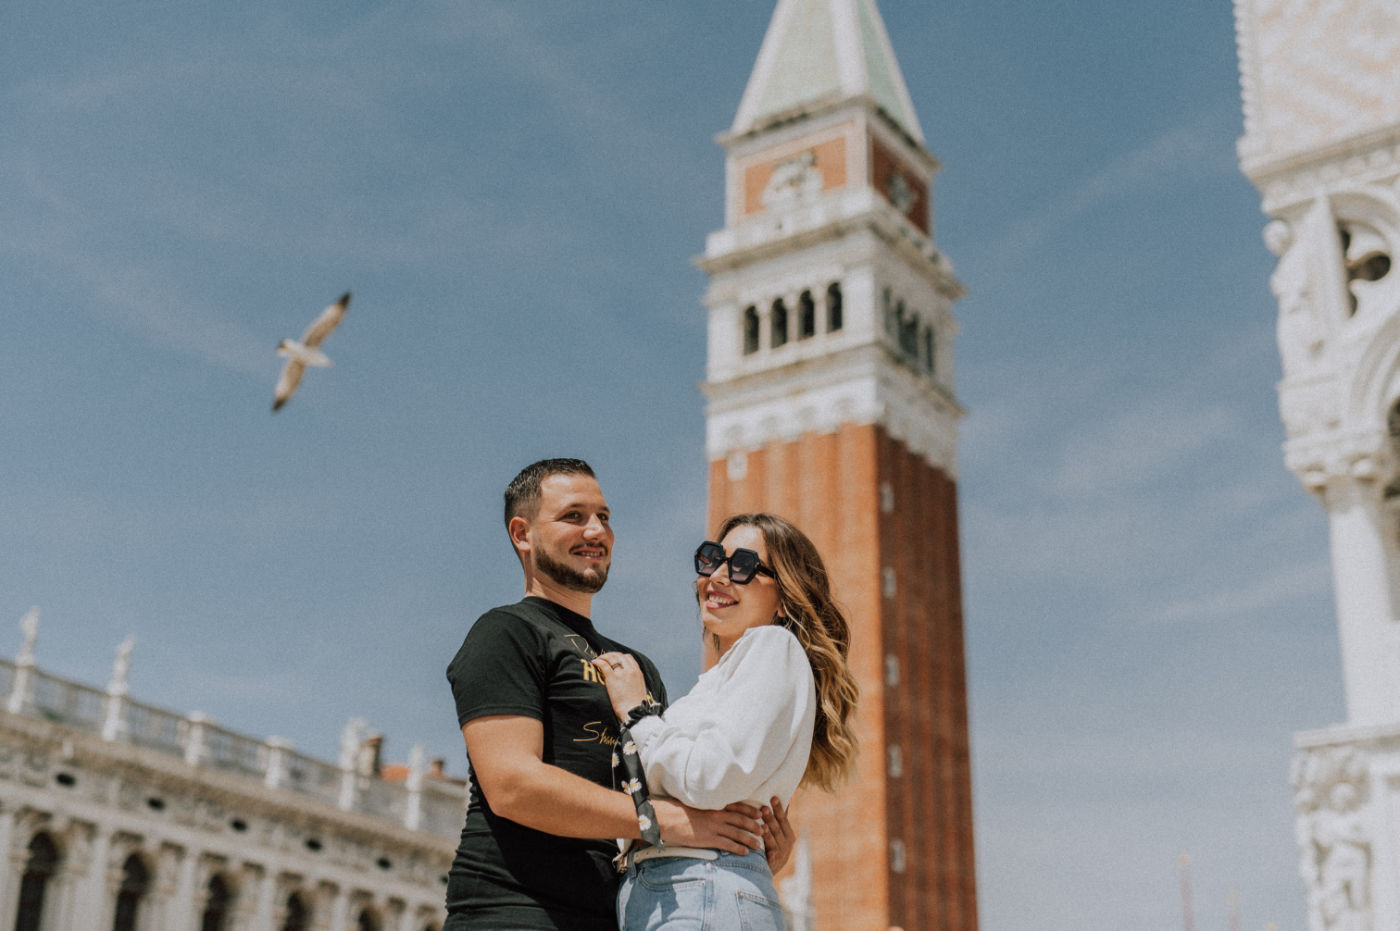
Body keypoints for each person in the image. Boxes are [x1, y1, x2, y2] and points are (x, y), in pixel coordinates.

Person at [444, 459, 791, 930]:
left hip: (625, 915)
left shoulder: (640, 669)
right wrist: (658, 820)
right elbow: (512, 786)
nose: (597, 530)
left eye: (604, 517)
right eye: (574, 516)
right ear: (522, 534)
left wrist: (748, 843)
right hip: (514, 910)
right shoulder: (508, 632)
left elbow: (675, 794)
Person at [593, 512, 860, 931]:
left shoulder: (773, 646)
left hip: (697, 888)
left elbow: (709, 774)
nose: (717, 575)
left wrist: (638, 715)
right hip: (687, 889)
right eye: (711, 558)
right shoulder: (731, 676)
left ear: (785, 596)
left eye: (742, 566)